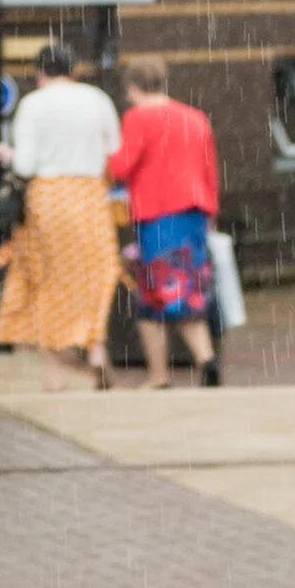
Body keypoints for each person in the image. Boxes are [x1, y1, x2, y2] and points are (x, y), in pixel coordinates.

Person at [0, 41, 122, 391]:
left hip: (48, 196)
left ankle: (53, 372)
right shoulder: (97, 99)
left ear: (39, 73)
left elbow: (26, 164)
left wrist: (6, 154)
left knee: (45, 276)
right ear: (74, 70)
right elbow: (114, 150)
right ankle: (95, 346)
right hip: (91, 193)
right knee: (95, 271)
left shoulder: (33, 104)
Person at [106, 57, 220, 386]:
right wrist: (210, 211)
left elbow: (121, 166)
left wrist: (103, 158)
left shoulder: (138, 118)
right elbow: (210, 170)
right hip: (195, 213)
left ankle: (159, 376)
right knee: (191, 292)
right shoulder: (195, 118)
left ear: (132, 88)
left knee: (155, 296)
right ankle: (206, 360)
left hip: (159, 216)